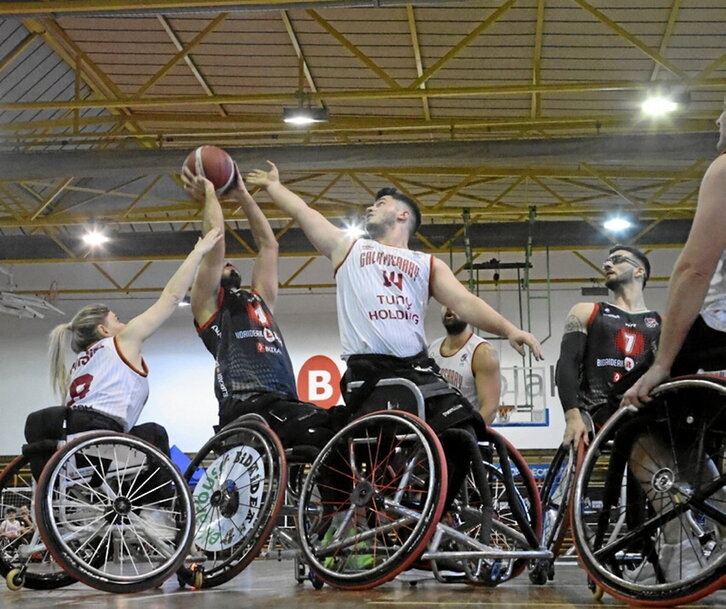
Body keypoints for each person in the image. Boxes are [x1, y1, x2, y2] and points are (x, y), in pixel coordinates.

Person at [246, 162, 541, 433]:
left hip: (416, 369)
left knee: (464, 425)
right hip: (369, 370)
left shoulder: (426, 263)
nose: (370, 208)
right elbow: (304, 212)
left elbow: (465, 302)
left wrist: (509, 329)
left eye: (380, 204)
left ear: (403, 215)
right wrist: (274, 186)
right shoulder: (349, 248)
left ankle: (434, 484)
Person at [24, 226, 223, 472]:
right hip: (101, 439)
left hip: (67, 444)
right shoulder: (120, 342)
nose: (124, 324)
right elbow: (171, 296)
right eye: (117, 319)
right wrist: (198, 252)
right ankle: (159, 510)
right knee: (155, 434)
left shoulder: (79, 365)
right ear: (103, 330)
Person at [181, 165, 333, 449]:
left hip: (283, 402)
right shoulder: (209, 307)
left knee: (337, 423)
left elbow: (269, 245)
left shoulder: (258, 300)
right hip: (245, 404)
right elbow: (215, 243)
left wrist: (242, 194)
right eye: (222, 265)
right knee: (320, 428)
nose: (228, 263)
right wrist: (211, 193)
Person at [622, 107, 726, 405]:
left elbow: (694, 271)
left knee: (631, 399)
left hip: (718, 331)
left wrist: (662, 365)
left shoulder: (724, 169)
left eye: (724, 110)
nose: (718, 120)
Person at [556, 246, 661, 447]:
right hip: (600, 410)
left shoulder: (660, 322)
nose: (608, 264)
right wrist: (572, 416)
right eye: (606, 262)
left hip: (645, 411)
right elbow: (567, 363)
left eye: (618, 259)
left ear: (640, 271)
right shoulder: (587, 311)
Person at [428, 306, 501, 425]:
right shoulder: (431, 349)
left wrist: (470, 435)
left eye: (454, 302)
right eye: (445, 303)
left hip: (466, 431)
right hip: (439, 431)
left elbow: (489, 410)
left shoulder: (483, 352)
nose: (449, 307)